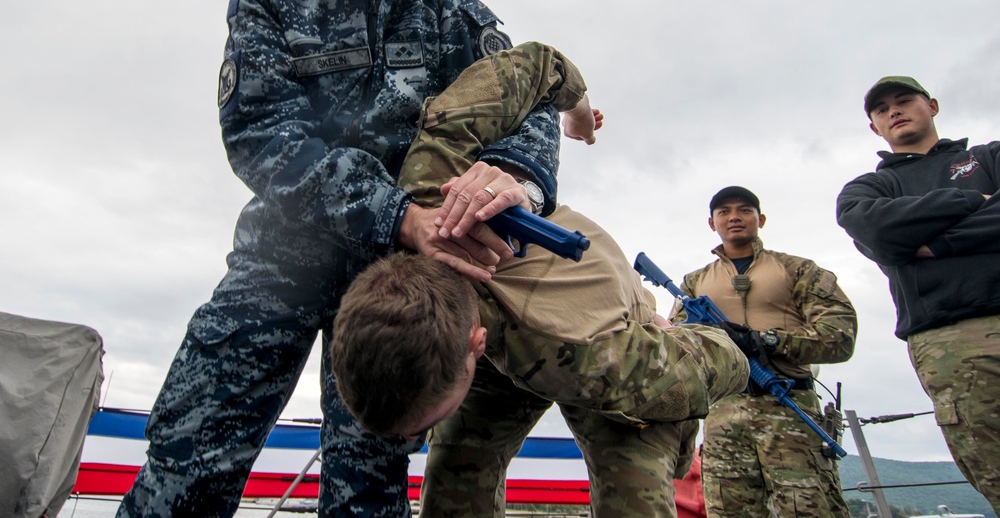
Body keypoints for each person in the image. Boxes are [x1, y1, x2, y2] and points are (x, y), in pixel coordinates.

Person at [117, 0, 565, 516]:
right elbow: (263, 134)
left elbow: (528, 91)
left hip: (400, 277)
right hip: (285, 258)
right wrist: (394, 213)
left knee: (370, 484)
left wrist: (515, 176)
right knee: (190, 458)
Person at [331, 41, 750, 517]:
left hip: (609, 339)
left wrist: (579, 114)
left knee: (634, 503)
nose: (411, 444)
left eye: (416, 430)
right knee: (453, 490)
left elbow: (727, 360)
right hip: (508, 347)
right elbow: (536, 67)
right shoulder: (416, 206)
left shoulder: (591, 358)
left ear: (474, 344)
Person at [837, 76, 1000, 510]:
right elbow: (876, 231)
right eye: (881, 108)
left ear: (931, 105)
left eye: (904, 100)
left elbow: (899, 238)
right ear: (874, 127)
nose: (894, 110)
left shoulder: (989, 157)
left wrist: (936, 244)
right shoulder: (868, 191)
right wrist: (975, 202)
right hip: (953, 343)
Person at [672, 186, 856, 518]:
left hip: (788, 407)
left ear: (761, 219)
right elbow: (676, 346)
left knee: (809, 507)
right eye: (724, 212)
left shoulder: (800, 271)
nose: (734, 218)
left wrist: (766, 341)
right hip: (723, 415)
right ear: (712, 223)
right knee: (727, 509)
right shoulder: (694, 283)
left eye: (744, 210)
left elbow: (840, 337)